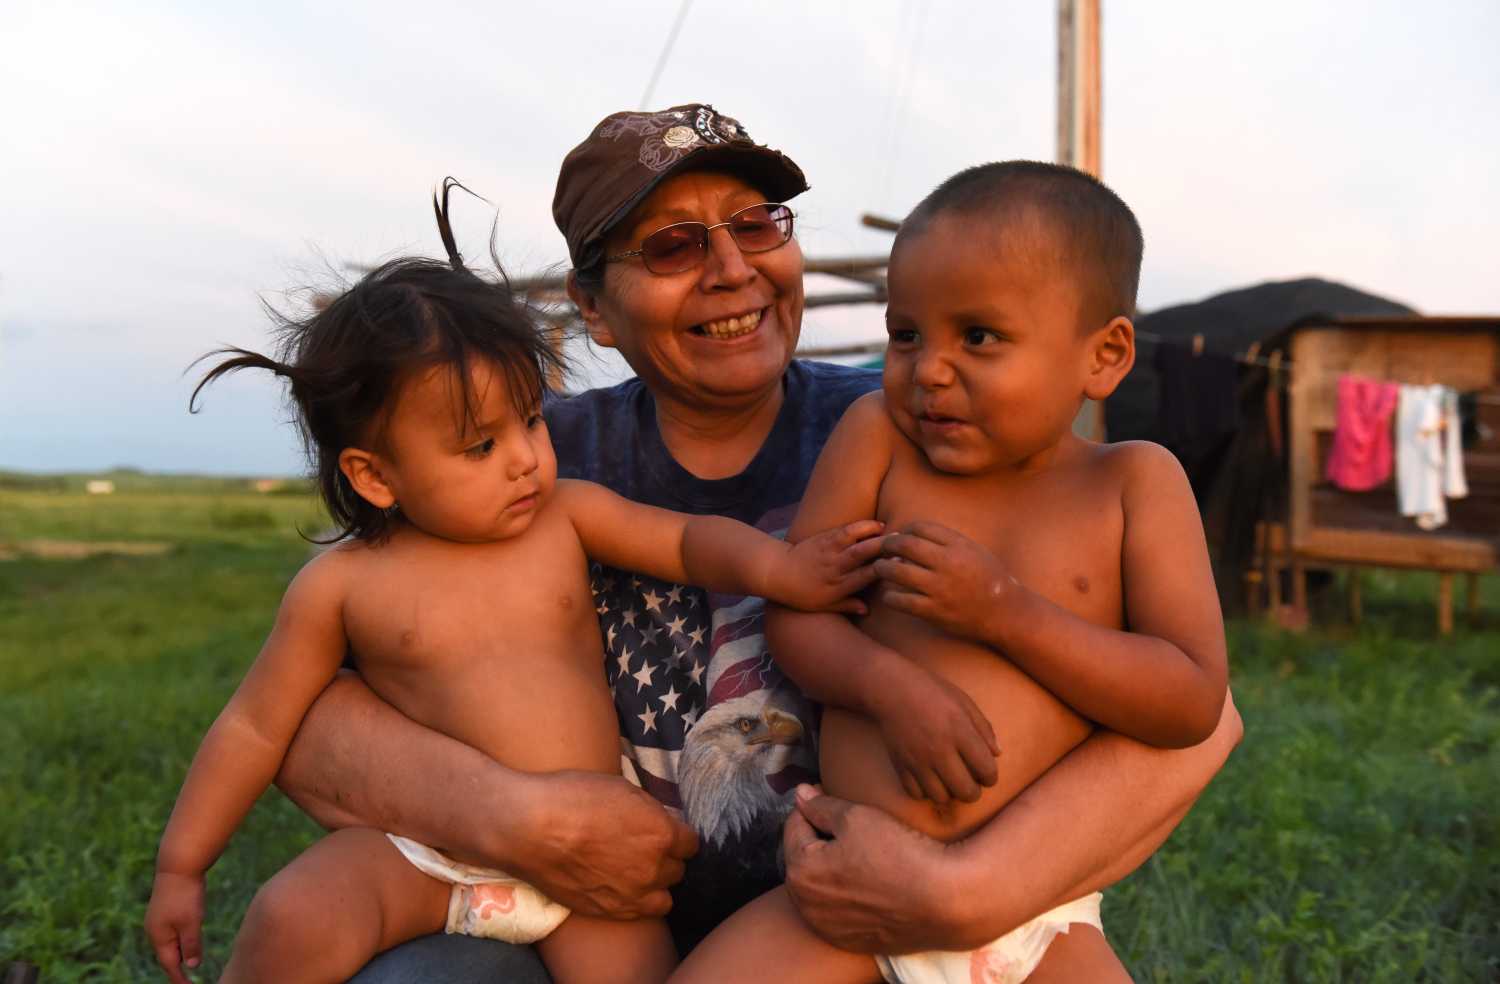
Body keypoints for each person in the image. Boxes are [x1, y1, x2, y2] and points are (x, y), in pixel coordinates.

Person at [272, 105, 1244, 983]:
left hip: (879, 904)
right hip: (587, 926)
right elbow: (305, 725)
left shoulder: (922, 433)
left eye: (758, 224)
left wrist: (962, 893)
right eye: (673, 245)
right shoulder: (516, 463)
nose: (732, 266)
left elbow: (1202, 717)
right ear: (593, 308)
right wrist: (519, 820)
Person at [142, 253, 885, 984]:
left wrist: (780, 568)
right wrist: (182, 864)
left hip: (590, 869)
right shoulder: (338, 586)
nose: (526, 458)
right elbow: (256, 726)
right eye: (481, 446)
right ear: (374, 475)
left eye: (531, 420)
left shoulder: (565, 518)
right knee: (292, 916)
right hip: (421, 851)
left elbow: (688, 542)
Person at [672, 161, 1228, 984]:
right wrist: (891, 688)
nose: (929, 368)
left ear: (1103, 355)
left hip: (1036, 919)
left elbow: (1189, 699)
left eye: (977, 336)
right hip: (840, 893)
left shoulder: (1133, 485)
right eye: (907, 334)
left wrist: (1007, 614)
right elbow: (798, 612)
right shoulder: (880, 439)